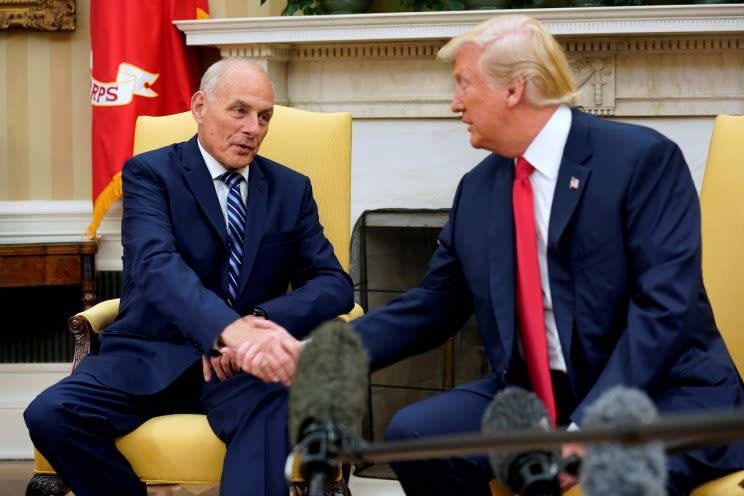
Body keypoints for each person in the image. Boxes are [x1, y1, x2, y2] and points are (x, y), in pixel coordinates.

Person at [237, 14, 744, 496]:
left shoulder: (639, 160)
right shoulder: (479, 190)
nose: (455, 103)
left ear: (514, 88)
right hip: (538, 396)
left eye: (463, 84)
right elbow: (433, 306)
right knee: (415, 437)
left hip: (662, 392)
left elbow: (664, 309)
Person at [24, 58, 354, 496]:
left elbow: (334, 284)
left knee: (277, 406)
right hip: (150, 354)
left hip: (242, 370)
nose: (253, 127)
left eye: (264, 116)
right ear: (200, 106)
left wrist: (254, 324)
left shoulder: (291, 190)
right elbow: (156, 267)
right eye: (239, 110)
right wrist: (223, 330)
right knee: (50, 414)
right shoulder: (150, 173)